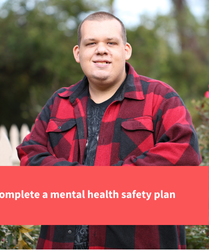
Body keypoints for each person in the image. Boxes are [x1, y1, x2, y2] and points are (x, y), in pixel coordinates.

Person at [17, 11, 201, 249]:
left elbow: (184, 155)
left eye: (110, 43)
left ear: (126, 51)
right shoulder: (59, 103)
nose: (101, 50)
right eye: (91, 43)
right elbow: (29, 156)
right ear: (78, 53)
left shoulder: (160, 97)